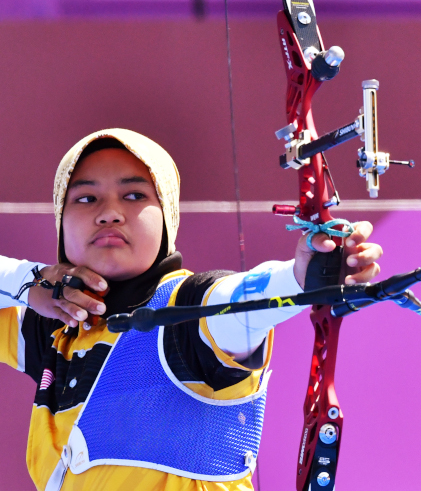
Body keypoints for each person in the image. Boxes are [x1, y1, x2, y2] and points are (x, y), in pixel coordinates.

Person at [0, 128, 383, 490]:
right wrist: (28, 280)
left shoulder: (186, 308)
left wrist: (299, 278)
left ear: (167, 216)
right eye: (86, 198)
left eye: (134, 196)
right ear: (60, 224)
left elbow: (238, 303)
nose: (109, 213)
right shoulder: (54, 326)